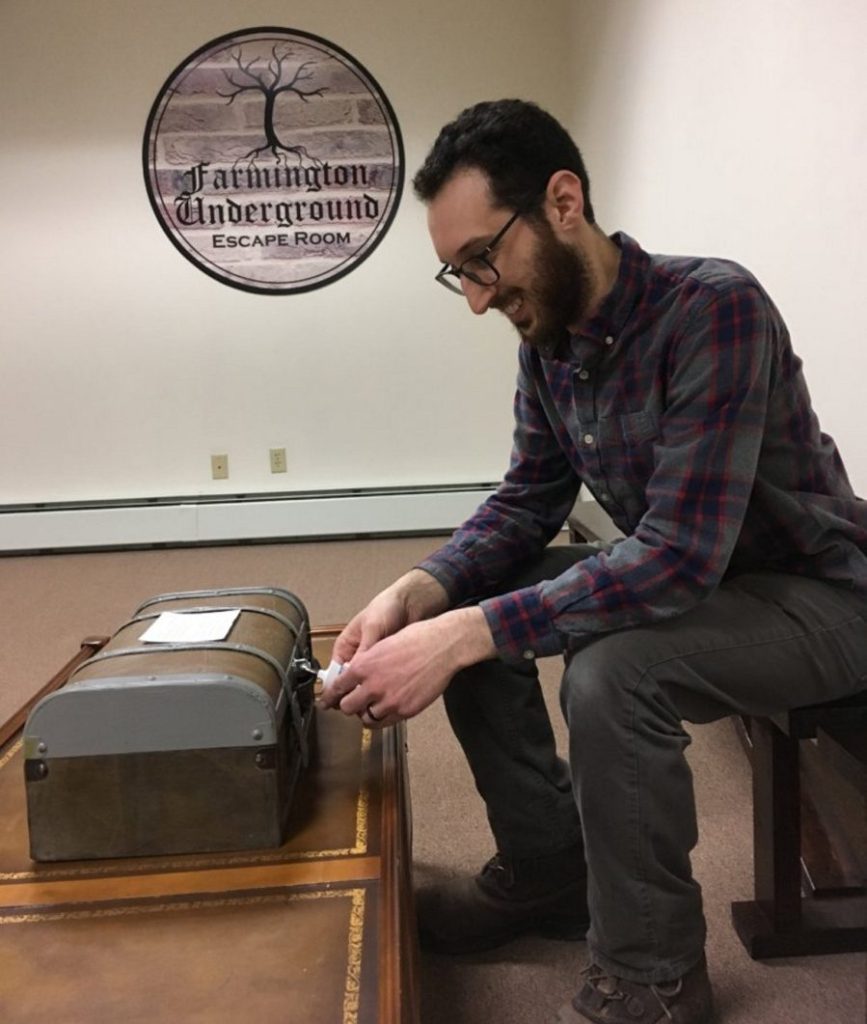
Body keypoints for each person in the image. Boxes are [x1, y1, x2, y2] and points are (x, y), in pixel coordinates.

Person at [320, 99, 867, 1024]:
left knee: (611, 671)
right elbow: (526, 501)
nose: (477, 298)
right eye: (455, 274)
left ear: (562, 202)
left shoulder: (714, 308)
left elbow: (678, 557)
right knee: (466, 601)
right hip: (714, 590)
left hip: (822, 600)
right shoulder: (550, 343)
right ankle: (548, 873)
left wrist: (470, 630)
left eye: (483, 261)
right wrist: (423, 590)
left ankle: (652, 977)